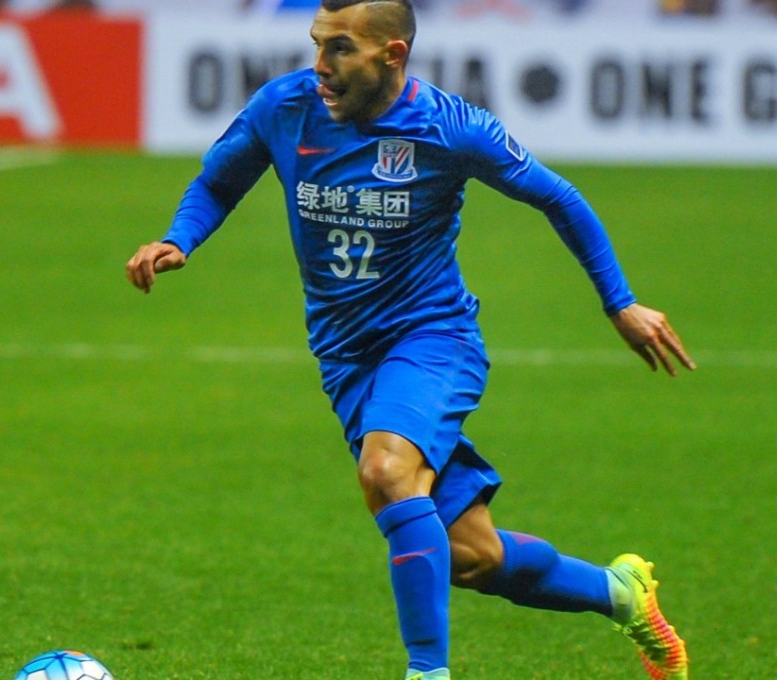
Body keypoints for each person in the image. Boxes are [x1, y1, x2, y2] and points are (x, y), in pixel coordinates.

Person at [126, 1, 695, 677]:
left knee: (388, 472)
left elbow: (559, 198)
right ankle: (619, 592)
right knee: (470, 556)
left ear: (391, 55)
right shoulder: (284, 107)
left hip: (432, 339)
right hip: (346, 359)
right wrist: (177, 239)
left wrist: (620, 303)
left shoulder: (450, 128)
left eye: (340, 49)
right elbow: (219, 181)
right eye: (316, 45)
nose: (320, 67)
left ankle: (427, 672)